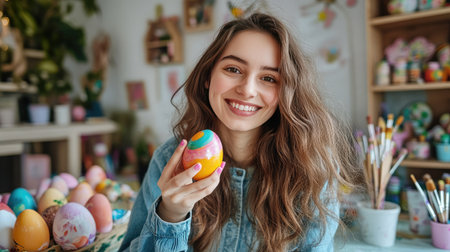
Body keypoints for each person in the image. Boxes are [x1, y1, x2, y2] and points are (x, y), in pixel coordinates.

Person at [120, 12, 358, 252]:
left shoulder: (312, 168)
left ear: (287, 91)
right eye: (233, 69)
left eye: (268, 78)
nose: (247, 90)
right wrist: (170, 215)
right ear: (207, 76)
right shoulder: (169, 161)